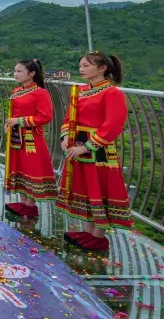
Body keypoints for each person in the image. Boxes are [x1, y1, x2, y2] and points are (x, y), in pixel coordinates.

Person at [57, 52, 132, 251]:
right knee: (85, 188)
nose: (81, 69)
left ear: (102, 68)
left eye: (86, 66)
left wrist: (86, 146)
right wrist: (65, 138)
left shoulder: (112, 93)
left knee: (100, 189)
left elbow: (112, 125)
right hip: (77, 148)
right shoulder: (80, 91)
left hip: (99, 151)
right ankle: (87, 231)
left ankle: (99, 235)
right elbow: (68, 118)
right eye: (80, 66)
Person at [4, 59, 57, 218]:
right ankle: (23, 202)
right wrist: (9, 123)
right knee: (19, 166)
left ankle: (30, 204)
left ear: (32, 73)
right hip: (16, 136)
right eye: (15, 71)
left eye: (19, 71)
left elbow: (45, 116)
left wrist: (20, 121)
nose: (15, 74)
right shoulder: (17, 91)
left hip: (31, 138)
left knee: (31, 168)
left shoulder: (41, 93)